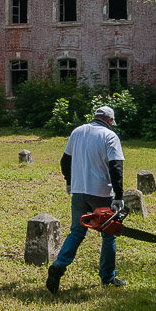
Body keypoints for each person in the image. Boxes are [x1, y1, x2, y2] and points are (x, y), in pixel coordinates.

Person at [46, 105, 125, 294]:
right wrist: (119, 196)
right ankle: (108, 277)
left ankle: (59, 265)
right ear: (110, 120)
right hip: (101, 193)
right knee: (108, 236)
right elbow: (116, 167)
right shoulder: (110, 136)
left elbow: (65, 161)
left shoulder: (77, 131)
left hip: (79, 191)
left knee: (76, 232)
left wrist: (69, 182)